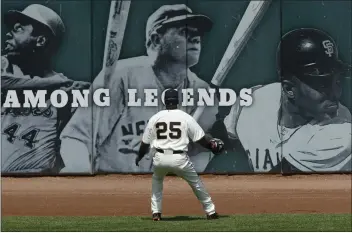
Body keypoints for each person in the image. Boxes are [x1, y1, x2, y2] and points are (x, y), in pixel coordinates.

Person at [59, 4, 227, 173]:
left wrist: (204, 148)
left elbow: (196, 159)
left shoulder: (202, 92)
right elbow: (75, 139)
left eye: (197, 33)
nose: (195, 38)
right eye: (184, 32)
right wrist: (83, 177)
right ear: (155, 40)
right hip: (111, 184)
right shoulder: (122, 75)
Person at [212, 28, 351, 173]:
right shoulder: (255, 100)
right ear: (289, 88)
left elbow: (274, 188)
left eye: (337, 82)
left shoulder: (340, 135)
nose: (335, 93)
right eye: (323, 85)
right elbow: (221, 138)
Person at [1, 4, 90, 174]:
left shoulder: (66, 91)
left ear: (40, 41)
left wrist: (92, 97)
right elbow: (4, 82)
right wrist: (58, 84)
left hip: (40, 181)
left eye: (18, 29)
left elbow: (72, 140)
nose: (8, 33)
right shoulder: (5, 66)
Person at [135, 89, 224, 220]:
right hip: (179, 158)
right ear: (178, 101)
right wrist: (211, 146)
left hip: (160, 158)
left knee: (157, 181)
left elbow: (145, 143)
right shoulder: (185, 117)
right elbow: (200, 140)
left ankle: (156, 213)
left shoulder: (156, 117)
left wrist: (139, 156)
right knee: (196, 183)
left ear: (164, 101)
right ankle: (210, 211)